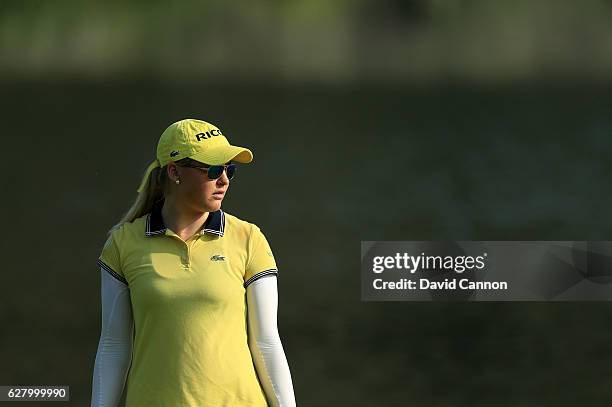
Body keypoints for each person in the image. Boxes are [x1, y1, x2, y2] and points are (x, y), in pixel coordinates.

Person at [90, 119, 297, 406]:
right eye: (212, 169)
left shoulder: (249, 239)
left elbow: (266, 342)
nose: (223, 179)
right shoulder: (123, 244)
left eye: (229, 170)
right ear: (174, 172)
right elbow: (114, 346)